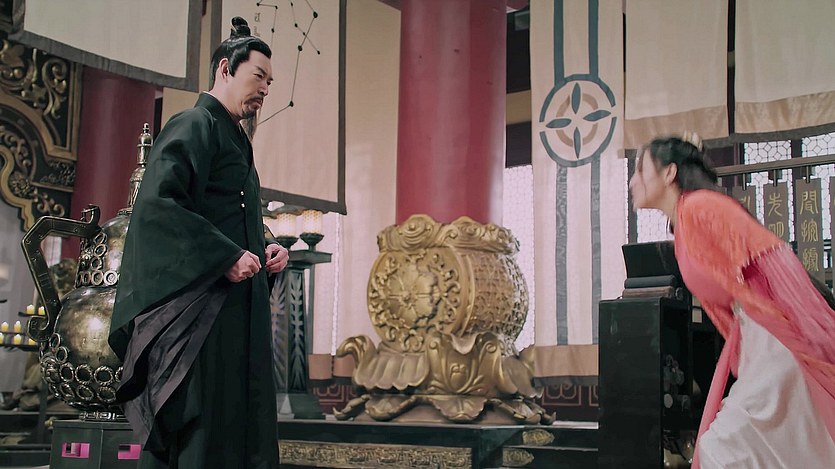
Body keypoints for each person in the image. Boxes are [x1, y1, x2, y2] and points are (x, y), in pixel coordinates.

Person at [109, 17, 289, 468]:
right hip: (202, 316)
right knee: (203, 429)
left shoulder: (236, 137)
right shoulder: (194, 123)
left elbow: (231, 214)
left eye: (270, 82)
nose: (265, 89)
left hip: (235, 311)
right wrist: (224, 256)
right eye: (258, 76)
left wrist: (266, 246)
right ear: (225, 69)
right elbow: (160, 205)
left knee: (238, 424)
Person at [629, 133, 835, 468]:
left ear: (669, 173)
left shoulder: (700, 207)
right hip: (760, 341)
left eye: (640, 169)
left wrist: (800, 333)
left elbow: (775, 261)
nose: (633, 180)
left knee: (728, 449)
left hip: (774, 340)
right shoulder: (685, 222)